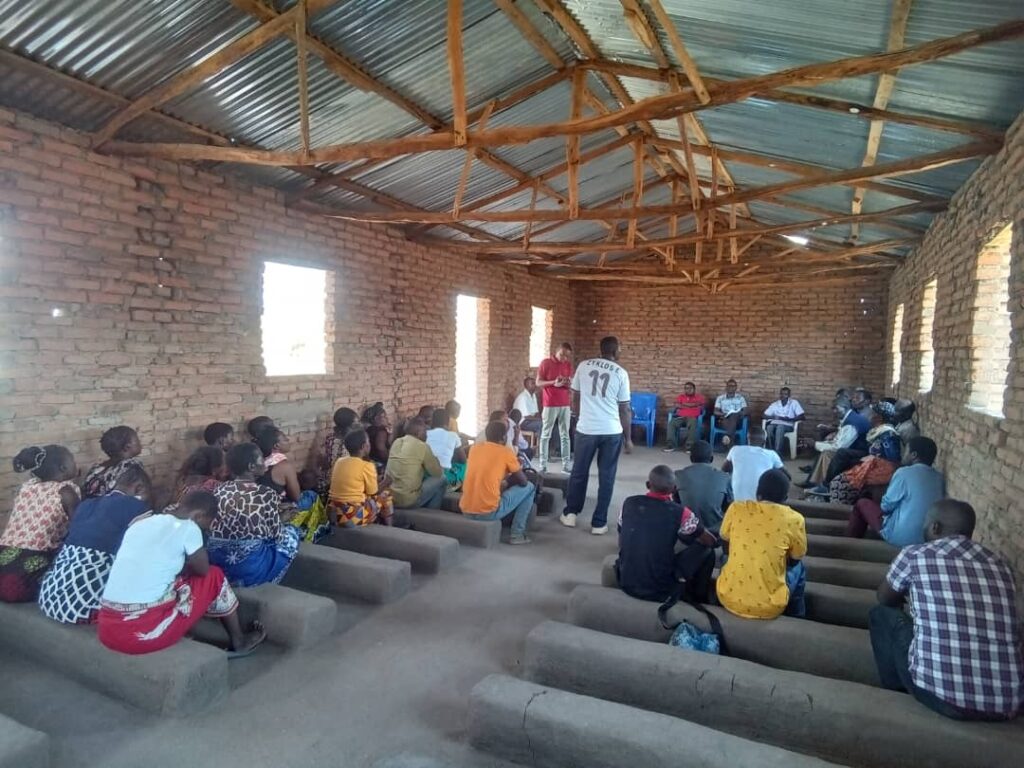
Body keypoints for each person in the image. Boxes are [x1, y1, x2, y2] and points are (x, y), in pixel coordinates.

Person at [871, 499, 1022, 720]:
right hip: (1006, 703)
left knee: (881, 615)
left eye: (925, 523)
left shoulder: (915, 555)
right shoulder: (1001, 566)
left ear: (935, 527)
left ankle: (896, 690)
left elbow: (884, 598)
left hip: (939, 695)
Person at [98, 491, 266, 657]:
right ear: (200, 516)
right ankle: (239, 641)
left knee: (176, 581)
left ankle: (184, 625)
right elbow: (203, 570)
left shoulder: (141, 523)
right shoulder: (189, 527)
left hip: (107, 628)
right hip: (139, 635)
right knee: (214, 577)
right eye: (209, 522)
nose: (208, 528)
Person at [38, 466, 151, 624]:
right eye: (147, 495)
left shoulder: (86, 505)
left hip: (50, 597)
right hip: (85, 606)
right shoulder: (138, 508)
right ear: (139, 488)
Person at [616, 465, 718, 603]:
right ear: (674, 489)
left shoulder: (629, 503)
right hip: (661, 590)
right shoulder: (681, 512)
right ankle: (699, 597)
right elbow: (709, 541)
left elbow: (621, 535)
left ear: (647, 484)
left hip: (626, 582)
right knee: (706, 550)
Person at [561, 336, 632, 535]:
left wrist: (575, 417)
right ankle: (599, 523)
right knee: (607, 476)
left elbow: (574, 395)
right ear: (615, 350)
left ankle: (571, 514)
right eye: (620, 349)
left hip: (586, 429)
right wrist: (629, 439)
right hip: (611, 431)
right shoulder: (621, 373)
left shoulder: (583, 366)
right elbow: (625, 409)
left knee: (579, 472)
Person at [716, 469, 807, 619]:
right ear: (785, 498)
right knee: (800, 568)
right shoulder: (795, 519)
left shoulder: (736, 508)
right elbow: (796, 558)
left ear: (758, 494)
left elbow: (725, 543)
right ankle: (797, 616)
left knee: (725, 558)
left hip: (727, 597)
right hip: (770, 607)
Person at [209, 443, 301, 587]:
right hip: (249, 568)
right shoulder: (265, 493)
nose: (264, 462)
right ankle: (267, 579)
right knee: (292, 533)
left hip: (218, 561)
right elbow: (276, 535)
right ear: (251, 467)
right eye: (261, 459)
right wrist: (281, 519)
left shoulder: (219, 489)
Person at [0, 446, 80, 602]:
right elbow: (80, 526)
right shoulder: (65, 491)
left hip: (5, 555)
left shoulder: (28, 487)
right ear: (64, 468)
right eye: (74, 461)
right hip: (31, 565)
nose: (76, 465)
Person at [846, 437, 945, 546]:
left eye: (906, 450)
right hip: (926, 539)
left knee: (862, 503)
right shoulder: (939, 478)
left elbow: (885, 507)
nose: (903, 454)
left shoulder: (904, 473)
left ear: (914, 455)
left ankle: (849, 544)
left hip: (900, 537)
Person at [459, 420, 535, 545]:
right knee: (530, 487)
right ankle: (517, 534)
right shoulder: (505, 452)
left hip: (466, 510)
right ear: (504, 437)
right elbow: (523, 481)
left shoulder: (474, 449)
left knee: (501, 485)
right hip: (488, 513)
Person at [829, 401, 903, 505]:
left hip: (882, 469)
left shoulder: (888, 434)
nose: (869, 416)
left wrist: (873, 459)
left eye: (872, 413)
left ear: (879, 418)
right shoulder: (879, 430)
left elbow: (891, 458)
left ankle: (839, 509)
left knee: (840, 482)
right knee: (842, 474)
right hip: (873, 464)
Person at [802, 396, 870, 491]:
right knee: (825, 449)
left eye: (836, 408)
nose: (834, 411)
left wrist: (815, 444)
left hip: (861, 451)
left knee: (827, 452)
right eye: (833, 408)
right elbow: (839, 441)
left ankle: (825, 485)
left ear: (845, 407)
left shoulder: (851, 423)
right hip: (854, 448)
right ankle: (816, 482)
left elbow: (838, 446)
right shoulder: (850, 418)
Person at [328, 430, 394, 527]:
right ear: (363, 446)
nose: (370, 444)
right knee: (385, 495)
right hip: (353, 517)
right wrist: (386, 481)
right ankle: (390, 528)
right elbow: (373, 492)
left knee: (368, 499)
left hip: (333, 513)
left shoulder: (339, 461)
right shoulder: (367, 466)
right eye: (368, 442)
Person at [674, 440, 732, 533]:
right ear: (712, 458)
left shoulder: (679, 475)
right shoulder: (724, 477)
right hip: (716, 531)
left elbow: (676, 503)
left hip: (688, 530)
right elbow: (728, 506)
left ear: (691, 458)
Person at [386, 417, 445, 509]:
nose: (427, 435)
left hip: (392, 497)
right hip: (408, 500)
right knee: (442, 479)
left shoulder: (396, 442)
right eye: (425, 432)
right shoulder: (422, 446)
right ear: (419, 433)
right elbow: (437, 473)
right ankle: (431, 513)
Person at [537, 342, 574, 473]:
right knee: (546, 434)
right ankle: (543, 465)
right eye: (562, 354)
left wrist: (567, 383)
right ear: (556, 351)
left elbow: (570, 385)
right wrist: (554, 382)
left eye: (567, 356)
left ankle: (565, 465)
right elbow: (538, 382)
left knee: (565, 435)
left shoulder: (567, 365)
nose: (564, 358)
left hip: (565, 403)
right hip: (550, 403)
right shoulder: (545, 363)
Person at [81, 426, 143, 499]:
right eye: (137, 440)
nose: (140, 442)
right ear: (127, 447)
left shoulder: (95, 469)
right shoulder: (131, 465)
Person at [317, 407, 358, 497]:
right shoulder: (349, 442)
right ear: (348, 425)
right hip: (342, 482)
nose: (357, 426)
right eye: (355, 424)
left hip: (328, 478)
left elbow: (328, 461)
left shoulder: (330, 437)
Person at [254, 426, 300, 504]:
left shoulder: (256, 460)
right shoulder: (285, 466)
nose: (288, 440)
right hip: (276, 510)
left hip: (256, 507)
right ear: (276, 446)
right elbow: (296, 497)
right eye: (285, 439)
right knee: (311, 496)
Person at [426, 408, 467, 489]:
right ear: (448, 422)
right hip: (446, 477)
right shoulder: (453, 435)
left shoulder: (425, 434)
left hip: (428, 475)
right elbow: (463, 460)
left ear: (432, 421)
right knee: (465, 465)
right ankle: (457, 485)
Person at [663, 381, 704, 453]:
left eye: (690, 388)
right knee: (672, 423)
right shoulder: (681, 397)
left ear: (694, 389)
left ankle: (689, 446)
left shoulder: (699, 397)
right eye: (686, 388)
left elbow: (701, 406)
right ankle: (671, 445)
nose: (688, 390)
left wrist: (684, 405)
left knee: (693, 422)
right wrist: (693, 405)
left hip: (692, 417)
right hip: (681, 417)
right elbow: (677, 405)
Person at [763, 387, 805, 455]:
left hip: (788, 424)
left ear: (789, 395)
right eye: (781, 394)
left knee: (780, 427)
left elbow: (802, 416)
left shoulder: (794, 403)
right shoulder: (775, 404)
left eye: (785, 394)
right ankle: (771, 451)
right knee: (769, 428)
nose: (783, 396)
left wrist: (790, 419)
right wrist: (773, 417)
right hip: (775, 423)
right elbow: (764, 415)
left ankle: (778, 452)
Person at [713, 379, 748, 448]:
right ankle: (730, 445)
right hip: (724, 420)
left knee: (734, 415)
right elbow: (715, 411)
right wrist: (724, 414)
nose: (731, 387)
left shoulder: (740, 398)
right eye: (729, 385)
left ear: (736, 387)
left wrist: (739, 413)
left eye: (733, 386)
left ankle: (727, 439)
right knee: (730, 417)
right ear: (726, 387)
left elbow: (746, 411)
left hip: (738, 421)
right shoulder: (720, 398)